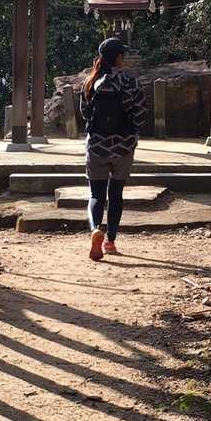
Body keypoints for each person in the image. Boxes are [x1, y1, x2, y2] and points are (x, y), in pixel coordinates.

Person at [79, 36, 146, 261]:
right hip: (123, 147)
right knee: (116, 195)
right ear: (119, 58)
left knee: (96, 195)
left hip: (97, 146)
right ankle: (110, 241)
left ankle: (95, 229)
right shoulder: (130, 82)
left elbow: (85, 113)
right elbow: (140, 113)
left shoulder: (90, 82)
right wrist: (131, 131)